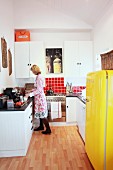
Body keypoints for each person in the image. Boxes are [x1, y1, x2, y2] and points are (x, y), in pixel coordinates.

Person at [28, 65, 51, 135]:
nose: (32, 72)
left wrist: (30, 94)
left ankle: (48, 129)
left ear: (34, 70)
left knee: (43, 115)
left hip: (40, 98)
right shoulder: (39, 76)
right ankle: (41, 126)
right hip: (39, 98)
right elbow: (38, 88)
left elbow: (39, 90)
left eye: (32, 71)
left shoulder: (39, 78)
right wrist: (31, 91)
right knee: (40, 113)